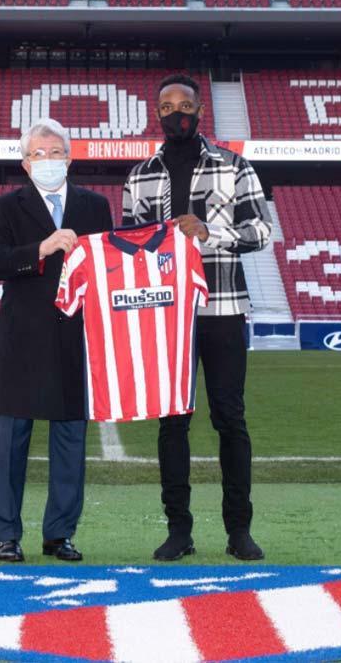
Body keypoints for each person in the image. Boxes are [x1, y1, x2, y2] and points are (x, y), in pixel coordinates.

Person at [122, 74, 273, 562]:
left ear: (200, 111)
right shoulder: (141, 175)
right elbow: (129, 247)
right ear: (156, 113)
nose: (175, 112)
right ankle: (179, 531)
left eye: (184, 104)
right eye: (166, 106)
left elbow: (262, 232)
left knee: (230, 418)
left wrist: (210, 231)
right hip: (168, 314)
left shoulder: (235, 166)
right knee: (173, 423)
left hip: (224, 308)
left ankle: (239, 530)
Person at [0, 117, 114, 563]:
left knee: (70, 444)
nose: (48, 161)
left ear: (70, 159)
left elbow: (109, 268)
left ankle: (60, 534)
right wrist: (41, 248)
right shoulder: (6, 208)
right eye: (39, 154)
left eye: (56, 153)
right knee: (10, 446)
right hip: (22, 341)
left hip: (76, 339)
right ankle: (6, 535)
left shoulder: (95, 207)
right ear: (24, 163)